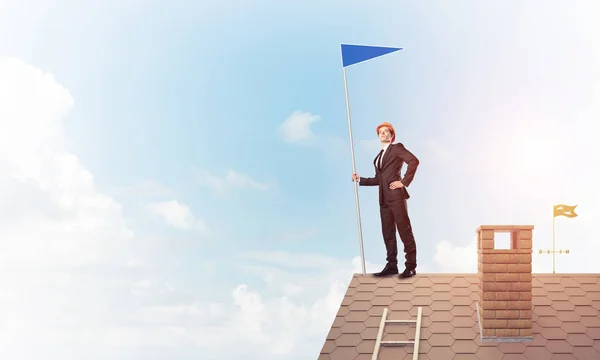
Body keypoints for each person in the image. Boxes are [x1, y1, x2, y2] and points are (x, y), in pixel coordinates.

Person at [351, 122, 420, 278]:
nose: (383, 133)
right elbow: (379, 179)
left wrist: (403, 182)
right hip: (383, 199)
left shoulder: (397, 148)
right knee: (388, 233)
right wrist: (360, 179)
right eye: (380, 132)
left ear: (391, 135)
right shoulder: (378, 157)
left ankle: (410, 266)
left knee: (404, 230)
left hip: (396, 197)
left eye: (386, 131)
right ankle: (391, 266)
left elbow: (414, 161)